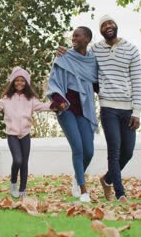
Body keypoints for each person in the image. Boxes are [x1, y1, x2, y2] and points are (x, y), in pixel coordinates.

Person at [57, 15, 141, 204]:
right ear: (100, 31)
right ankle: (120, 195)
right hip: (107, 108)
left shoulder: (131, 50)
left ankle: (107, 179)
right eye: (104, 25)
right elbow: (78, 54)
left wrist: (137, 111)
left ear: (116, 25)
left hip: (128, 108)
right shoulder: (95, 50)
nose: (108, 26)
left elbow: (137, 82)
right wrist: (62, 52)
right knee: (114, 151)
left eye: (111, 22)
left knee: (127, 152)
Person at [0, 67, 51, 198]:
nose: (19, 83)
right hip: (12, 135)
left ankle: (23, 191)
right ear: (13, 82)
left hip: (25, 134)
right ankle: (13, 183)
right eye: (17, 80)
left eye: (22, 80)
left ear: (26, 82)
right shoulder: (6, 99)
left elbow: (43, 106)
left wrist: (57, 106)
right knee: (17, 160)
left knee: (24, 163)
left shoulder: (31, 99)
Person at [46, 26, 98, 203]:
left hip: (84, 109)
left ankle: (77, 178)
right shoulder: (64, 56)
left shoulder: (92, 61)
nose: (73, 38)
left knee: (89, 151)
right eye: (72, 36)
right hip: (66, 108)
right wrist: (59, 100)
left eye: (77, 36)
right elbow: (53, 81)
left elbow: (97, 81)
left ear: (87, 39)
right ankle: (83, 190)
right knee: (77, 148)